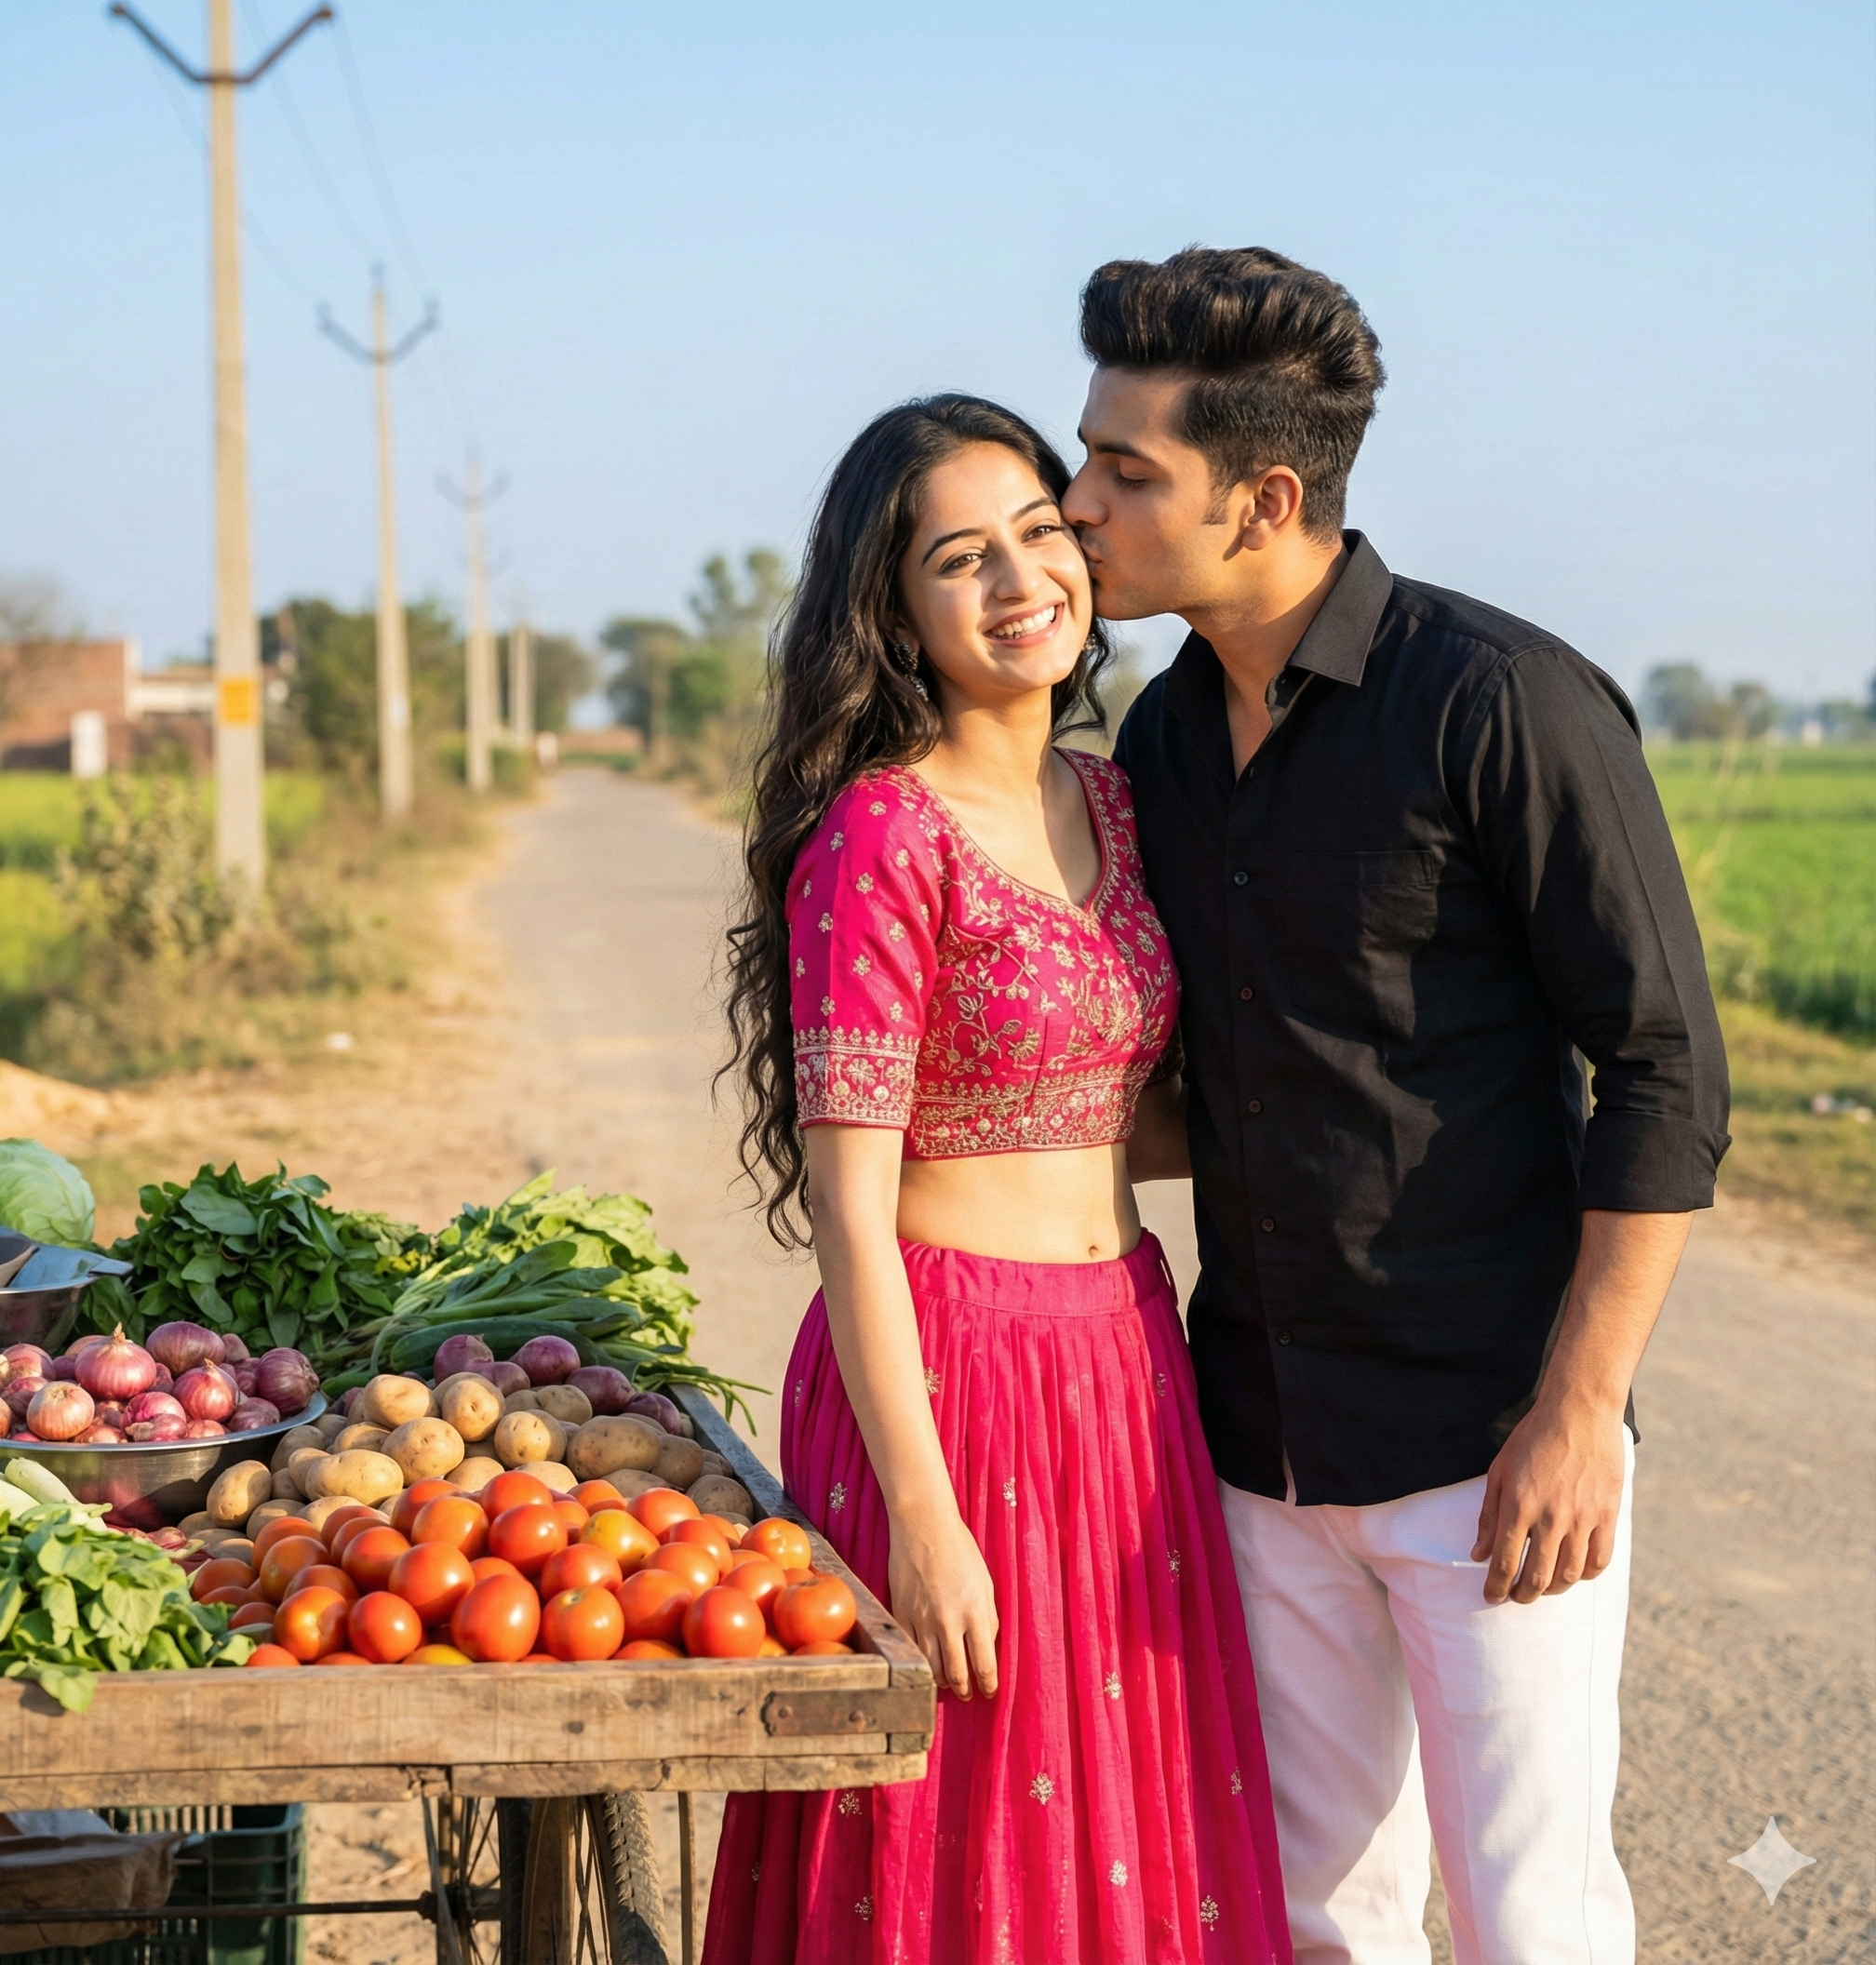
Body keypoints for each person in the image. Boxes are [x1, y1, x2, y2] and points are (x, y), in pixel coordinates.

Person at [1061, 247, 1731, 1964]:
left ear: (1266, 496)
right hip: (1260, 1440)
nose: (1081, 508)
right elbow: (1188, 1086)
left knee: (1534, 1916)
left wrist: (1580, 1416)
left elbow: (1665, 1066)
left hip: (1490, 1450)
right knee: (1309, 1917)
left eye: (1127, 473)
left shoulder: (1500, 701)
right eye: (1089, 460)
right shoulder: (1158, 749)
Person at [706, 394, 1291, 1964]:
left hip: (1122, 1359)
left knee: (1121, 1811)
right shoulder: (882, 838)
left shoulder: (1117, 801)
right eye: (960, 559)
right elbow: (850, 1207)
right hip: (946, 1379)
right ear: (894, 614)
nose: (1020, 577)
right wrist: (923, 1511)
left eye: (1041, 531)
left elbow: (1119, 1108)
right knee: (950, 1828)